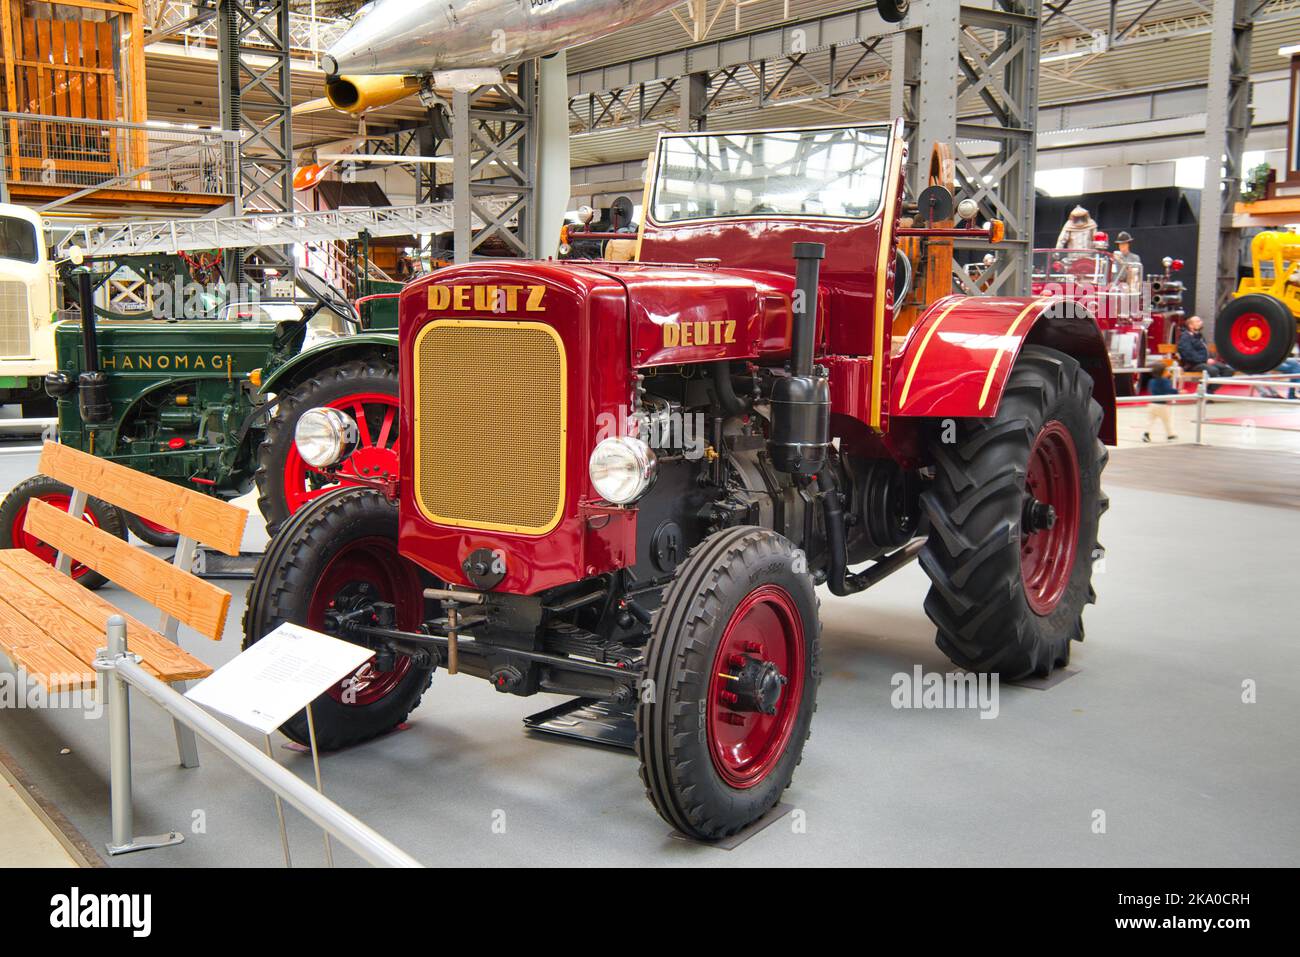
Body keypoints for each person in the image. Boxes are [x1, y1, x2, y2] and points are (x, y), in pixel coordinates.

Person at [1177, 315, 1234, 391]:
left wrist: (1208, 358)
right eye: (1198, 321)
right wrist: (1204, 360)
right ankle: (1206, 393)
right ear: (1190, 325)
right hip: (1192, 365)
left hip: (1203, 362)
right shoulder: (1185, 337)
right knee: (1213, 370)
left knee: (1228, 370)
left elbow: (1203, 350)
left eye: (1200, 320)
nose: (1201, 322)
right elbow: (1188, 354)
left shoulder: (1199, 336)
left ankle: (1208, 392)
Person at [1143, 360, 1178, 443]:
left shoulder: (1151, 381)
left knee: (1150, 421)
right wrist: (1178, 391)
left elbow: (1149, 390)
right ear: (1163, 372)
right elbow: (1168, 390)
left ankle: (1146, 433)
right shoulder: (1165, 381)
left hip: (1152, 404)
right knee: (1167, 420)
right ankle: (1170, 434)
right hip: (1162, 405)